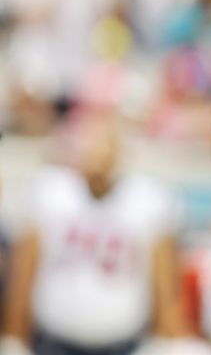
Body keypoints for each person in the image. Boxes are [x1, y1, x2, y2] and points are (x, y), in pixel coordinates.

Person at [2, 110, 185, 355]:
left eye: (105, 144)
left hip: (124, 343)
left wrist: (165, 338)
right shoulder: (51, 193)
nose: (98, 154)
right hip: (54, 341)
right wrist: (14, 338)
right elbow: (23, 274)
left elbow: (163, 283)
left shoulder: (147, 202)